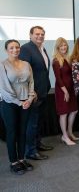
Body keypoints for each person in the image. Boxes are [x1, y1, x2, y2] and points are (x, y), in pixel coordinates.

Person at [0, 40, 36, 175]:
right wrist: (20, 102)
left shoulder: (26, 64)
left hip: (26, 101)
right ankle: (13, 162)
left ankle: (22, 158)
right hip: (10, 103)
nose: (15, 50)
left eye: (17, 47)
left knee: (23, 131)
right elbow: (4, 88)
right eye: (11, 48)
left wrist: (30, 98)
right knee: (12, 132)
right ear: (6, 50)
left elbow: (31, 82)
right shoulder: (2, 65)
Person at [19, 26, 52, 161]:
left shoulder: (42, 48)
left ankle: (37, 144)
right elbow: (23, 72)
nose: (40, 36)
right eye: (37, 34)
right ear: (30, 35)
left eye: (42, 34)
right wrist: (31, 92)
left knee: (39, 122)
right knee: (32, 123)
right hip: (34, 94)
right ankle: (30, 151)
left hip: (43, 90)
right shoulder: (26, 49)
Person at [52, 37, 78, 146]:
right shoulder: (56, 61)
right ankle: (65, 136)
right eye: (61, 45)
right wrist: (65, 92)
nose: (64, 47)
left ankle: (70, 132)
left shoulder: (68, 58)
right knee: (64, 114)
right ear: (57, 47)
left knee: (74, 110)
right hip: (62, 90)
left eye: (65, 45)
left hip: (71, 89)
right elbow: (58, 78)